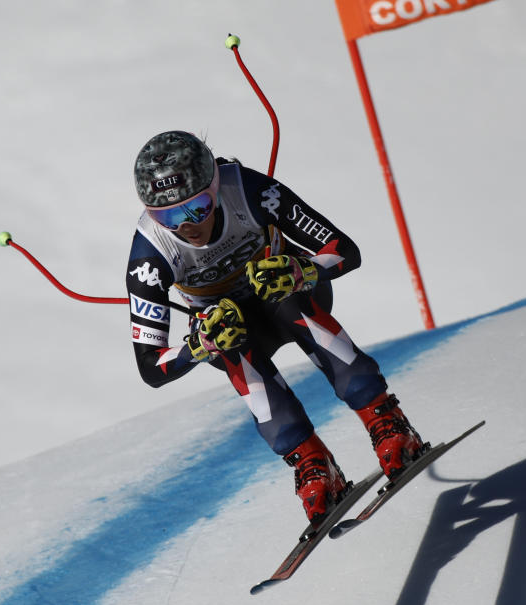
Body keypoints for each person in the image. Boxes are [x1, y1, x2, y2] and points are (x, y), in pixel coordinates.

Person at [126, 130, 426, 525]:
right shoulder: (150, 253)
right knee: (227, 339)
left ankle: (385, 420)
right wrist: (197, 346)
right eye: (168, 216)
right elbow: (151, 368)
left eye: (197, 207)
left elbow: (343, 250)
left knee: (284, 299)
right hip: (237, 330)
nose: (186, 227)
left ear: (215, 185)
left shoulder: (248, 189)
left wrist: (303, 271)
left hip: (295, 299)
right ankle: (313, 465)